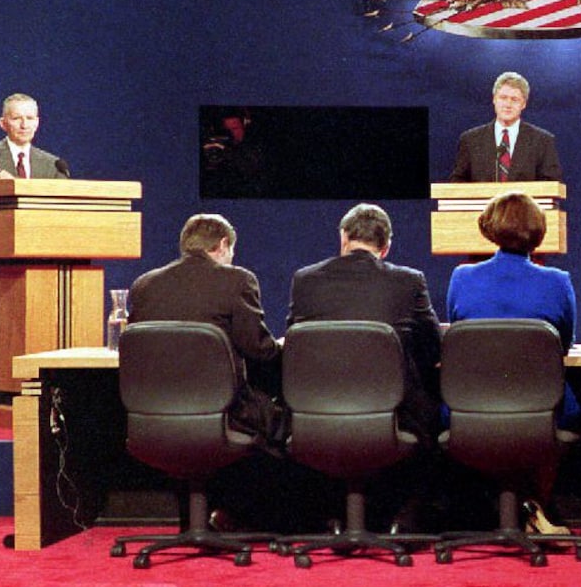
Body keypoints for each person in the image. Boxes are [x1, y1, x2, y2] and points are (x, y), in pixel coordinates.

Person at [286, 203, 443, 531]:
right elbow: (432, 347)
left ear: (343, 238)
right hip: (391, 414)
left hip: (317, 411)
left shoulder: (305, 280)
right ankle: (403, 518)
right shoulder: (410, 281)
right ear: (385, 247)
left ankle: (329, 517)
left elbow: (293, 344)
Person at [445, 190, 578, 534]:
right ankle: (535, 506)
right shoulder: (558, 283)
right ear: (538, 232)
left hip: (471, 404)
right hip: (540, 405)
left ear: (491, 229)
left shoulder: (462, 277)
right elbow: (561, 346)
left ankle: (508, 509)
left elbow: (458, 339)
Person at [128, 213, 284, 445]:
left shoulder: (143, 285)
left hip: (152, 417)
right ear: (223, 244)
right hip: (224, 415)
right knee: (288, 424)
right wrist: (280, 347)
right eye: (231, 251)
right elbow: (258, 349)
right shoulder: (237, 280)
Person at [0, 93, 69, 406]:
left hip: (43, 257)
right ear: (3, 123)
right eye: (17, 118)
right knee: (0, 326)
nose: (24, 124)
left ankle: (45, 395)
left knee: (42, 324)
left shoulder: (51, 163)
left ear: (38, 122)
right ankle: (0, 396)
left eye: (31, 117)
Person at [449, 71, 562, 183]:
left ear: (524, 104)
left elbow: (551, 183)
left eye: (514, 99)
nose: (508, 105)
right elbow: (457, 181)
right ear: (494, 99)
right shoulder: (470, 140)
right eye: (503, 98)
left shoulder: (542, 141)